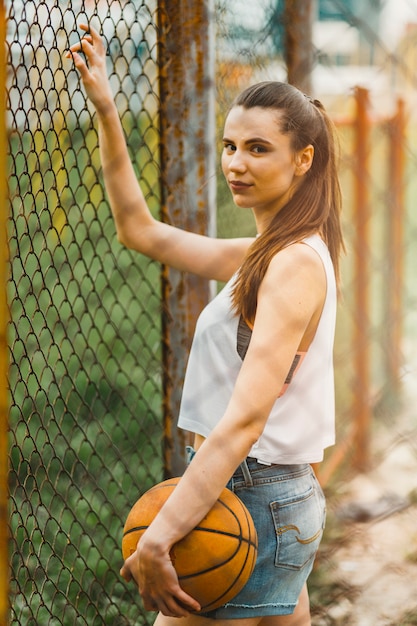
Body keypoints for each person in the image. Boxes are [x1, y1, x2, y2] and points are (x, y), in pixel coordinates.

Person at [67, 23, 344, 626]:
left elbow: (245, 419)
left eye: (257, 149)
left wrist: (160, 537)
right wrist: (108, 108)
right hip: (272, 500)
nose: (235, 164)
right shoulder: (272, 252)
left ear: (304, 160)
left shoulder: (293, 264)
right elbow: (139, 231)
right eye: (229, 146)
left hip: (249, 498)